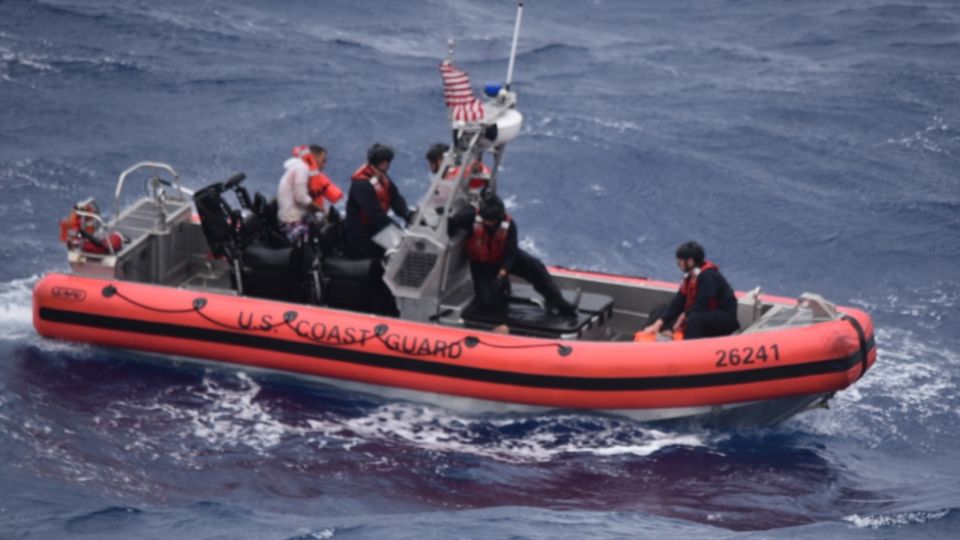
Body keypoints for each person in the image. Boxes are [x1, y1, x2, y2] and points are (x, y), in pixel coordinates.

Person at [448, 194, 577, 317]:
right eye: (485, 219)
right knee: (488, 300)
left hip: (505, 258)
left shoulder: (509, 226)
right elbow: (450, 224)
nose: (488, 222)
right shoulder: (469, 217)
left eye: (492, 220)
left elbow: (510, 253)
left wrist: (501, 276)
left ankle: (556, 300)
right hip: (482, 264)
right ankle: (501, 292)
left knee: (536, 268)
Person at [641, 241, 740, 340]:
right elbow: (677, 303)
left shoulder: (708, 276)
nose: (678, 263)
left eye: (680, 260)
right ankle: (645, 336)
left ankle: (686, 349)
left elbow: (701, 305)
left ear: (690, 261)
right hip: (702, 313)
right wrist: (658, 323)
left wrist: (683, 316)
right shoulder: (690, 277)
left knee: (694, 319)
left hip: (725, 318)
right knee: (661, 308)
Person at [343, 143, 414, 259]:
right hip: (361, 235)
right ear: (384, 163)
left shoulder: (382, 178)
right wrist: (397, 230)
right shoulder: (361, 184)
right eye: (387, 161)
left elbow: (396, 199)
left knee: (405, 248)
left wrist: (407, 215)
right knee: (398, 253)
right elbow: (374, 214)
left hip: (375, 229)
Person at [276, 144, 343, 243]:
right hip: (292, 223)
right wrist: (322, 211)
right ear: (313, 157)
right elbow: (301, 197)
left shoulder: (299, 168)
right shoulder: (302, 169)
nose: (324, 166)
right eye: (323, 161)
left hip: (297, 217)